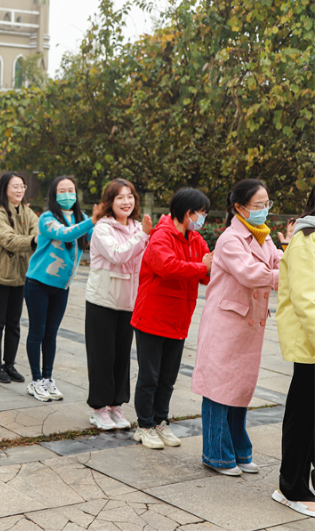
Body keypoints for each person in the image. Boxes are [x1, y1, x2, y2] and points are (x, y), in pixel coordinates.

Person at [191, 180, 282, 474]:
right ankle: (217, 454)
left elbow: (281, 261)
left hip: (247, 327)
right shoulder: (231, 239)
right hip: (226, 325)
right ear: (240, 208)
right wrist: (283, 275)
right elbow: (250, 273)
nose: (264, 211)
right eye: (258, 205)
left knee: (239, 390)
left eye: (267, 204)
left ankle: (239, 451)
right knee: (219, 389)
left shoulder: (264, 237)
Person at [131, 188, 212, 449]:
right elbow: (168, 267)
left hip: (178, 321)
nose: (203, 218)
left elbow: (206, 273)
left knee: (167, 377)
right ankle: (144, 425)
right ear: (188, 213)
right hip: (153, 318)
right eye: (201, 213)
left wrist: (208, 269)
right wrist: (203, 267)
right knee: (149, 377)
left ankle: (160, 421)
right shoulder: (161, 236)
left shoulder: (196, 239)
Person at [25, 176, 100, 397]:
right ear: (54, 195)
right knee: (37, 332)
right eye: (62, 191)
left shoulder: (82, 218)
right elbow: (65, 233)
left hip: (61, 287)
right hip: (37, 284)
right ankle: (35, 380)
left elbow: (96, 237)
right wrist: (92, 221)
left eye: (71, 190)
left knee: (52, 333)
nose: (68, 195)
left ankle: (48, 378)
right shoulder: (47, 218)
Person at [85, 179, 151, 429]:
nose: (126, 201)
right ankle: (99, 409)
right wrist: (143, 236)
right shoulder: (103, 228)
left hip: (129, 303)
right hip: (102, 301)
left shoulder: (137, 227)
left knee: (122, 357)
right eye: (120, 197)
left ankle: (116, 406)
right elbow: (118, 254)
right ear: (110, 202)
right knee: (102, 356)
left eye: (130, 196)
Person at [273, 188, 315, 517]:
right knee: (303, 416)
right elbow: (306, 299)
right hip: (310, 344)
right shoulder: (306, 237)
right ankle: (291, 488)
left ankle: (306, 482)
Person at [0, 174, 38, 383]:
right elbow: (8, 239)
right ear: (5, 188)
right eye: (15, 186)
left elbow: (37, 229)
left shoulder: (27, 211)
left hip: (20, 276)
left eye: (22, 186)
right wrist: (33, 240)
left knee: (14, 324)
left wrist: (36, 236)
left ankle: (9, 364)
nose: (19, 190)